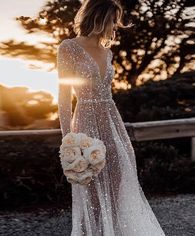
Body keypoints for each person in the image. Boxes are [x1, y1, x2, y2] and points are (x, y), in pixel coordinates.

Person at [57, 0, 165, 235]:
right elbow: (64, 98)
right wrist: (69, 141)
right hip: (85, 123)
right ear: (99, 17)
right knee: (91, 192)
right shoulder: (69, 47)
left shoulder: (108, 52)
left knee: (118, 184)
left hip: (112, 122)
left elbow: (107, 93)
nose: (116, 26)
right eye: (113, 20)